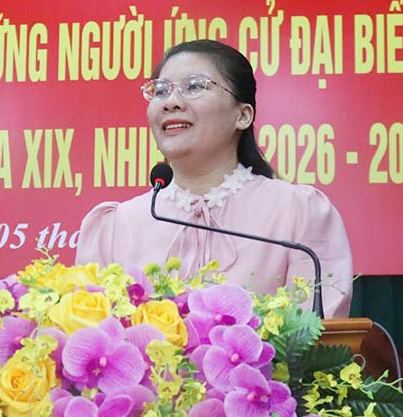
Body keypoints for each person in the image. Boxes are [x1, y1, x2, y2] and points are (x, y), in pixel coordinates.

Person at [75, 40, 353, 318]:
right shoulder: (115, 226)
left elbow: (318, 336)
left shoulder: (297, 212)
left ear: (242, 116)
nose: (171, 102)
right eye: (160, 90)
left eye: (194, 86)